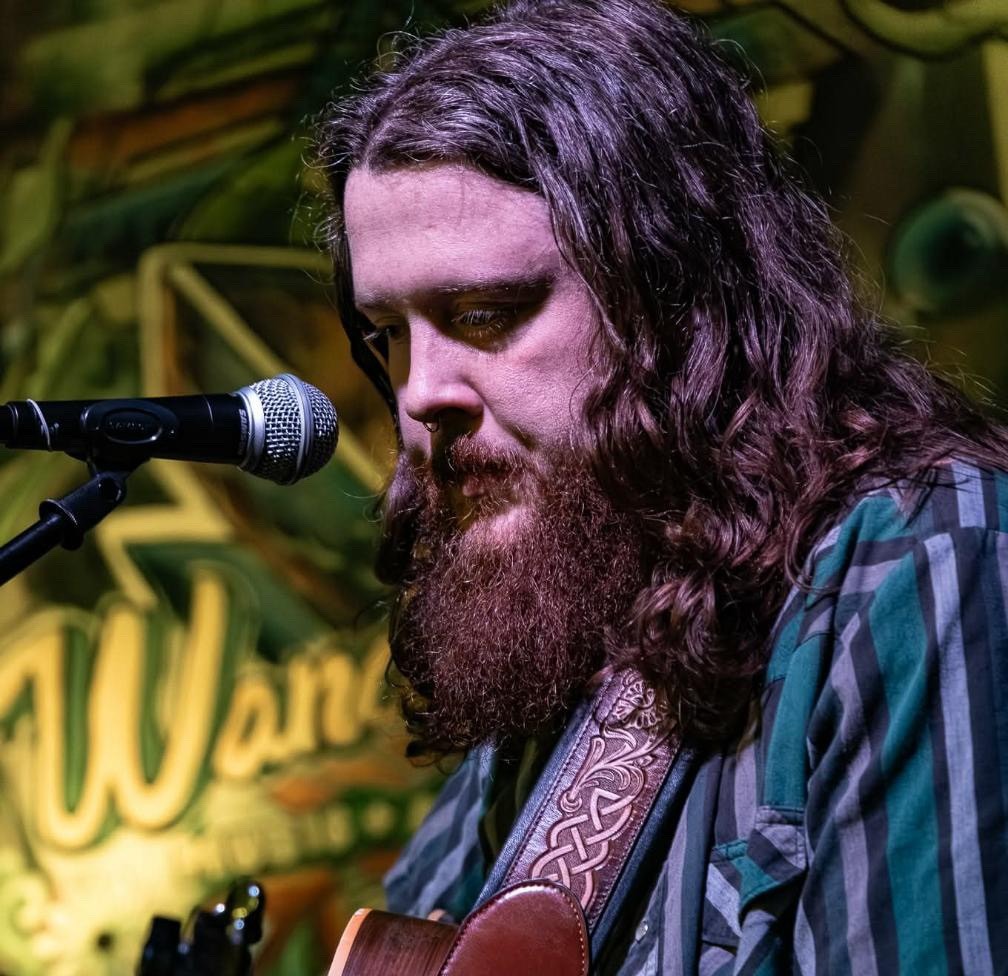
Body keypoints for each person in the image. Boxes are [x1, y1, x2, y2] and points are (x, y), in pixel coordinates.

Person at [315, 0, 1008, 971]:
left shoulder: (920, 563)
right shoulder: (563, 635)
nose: (421, 392)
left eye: (483, 311)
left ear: (675, 294)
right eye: (388, 334)